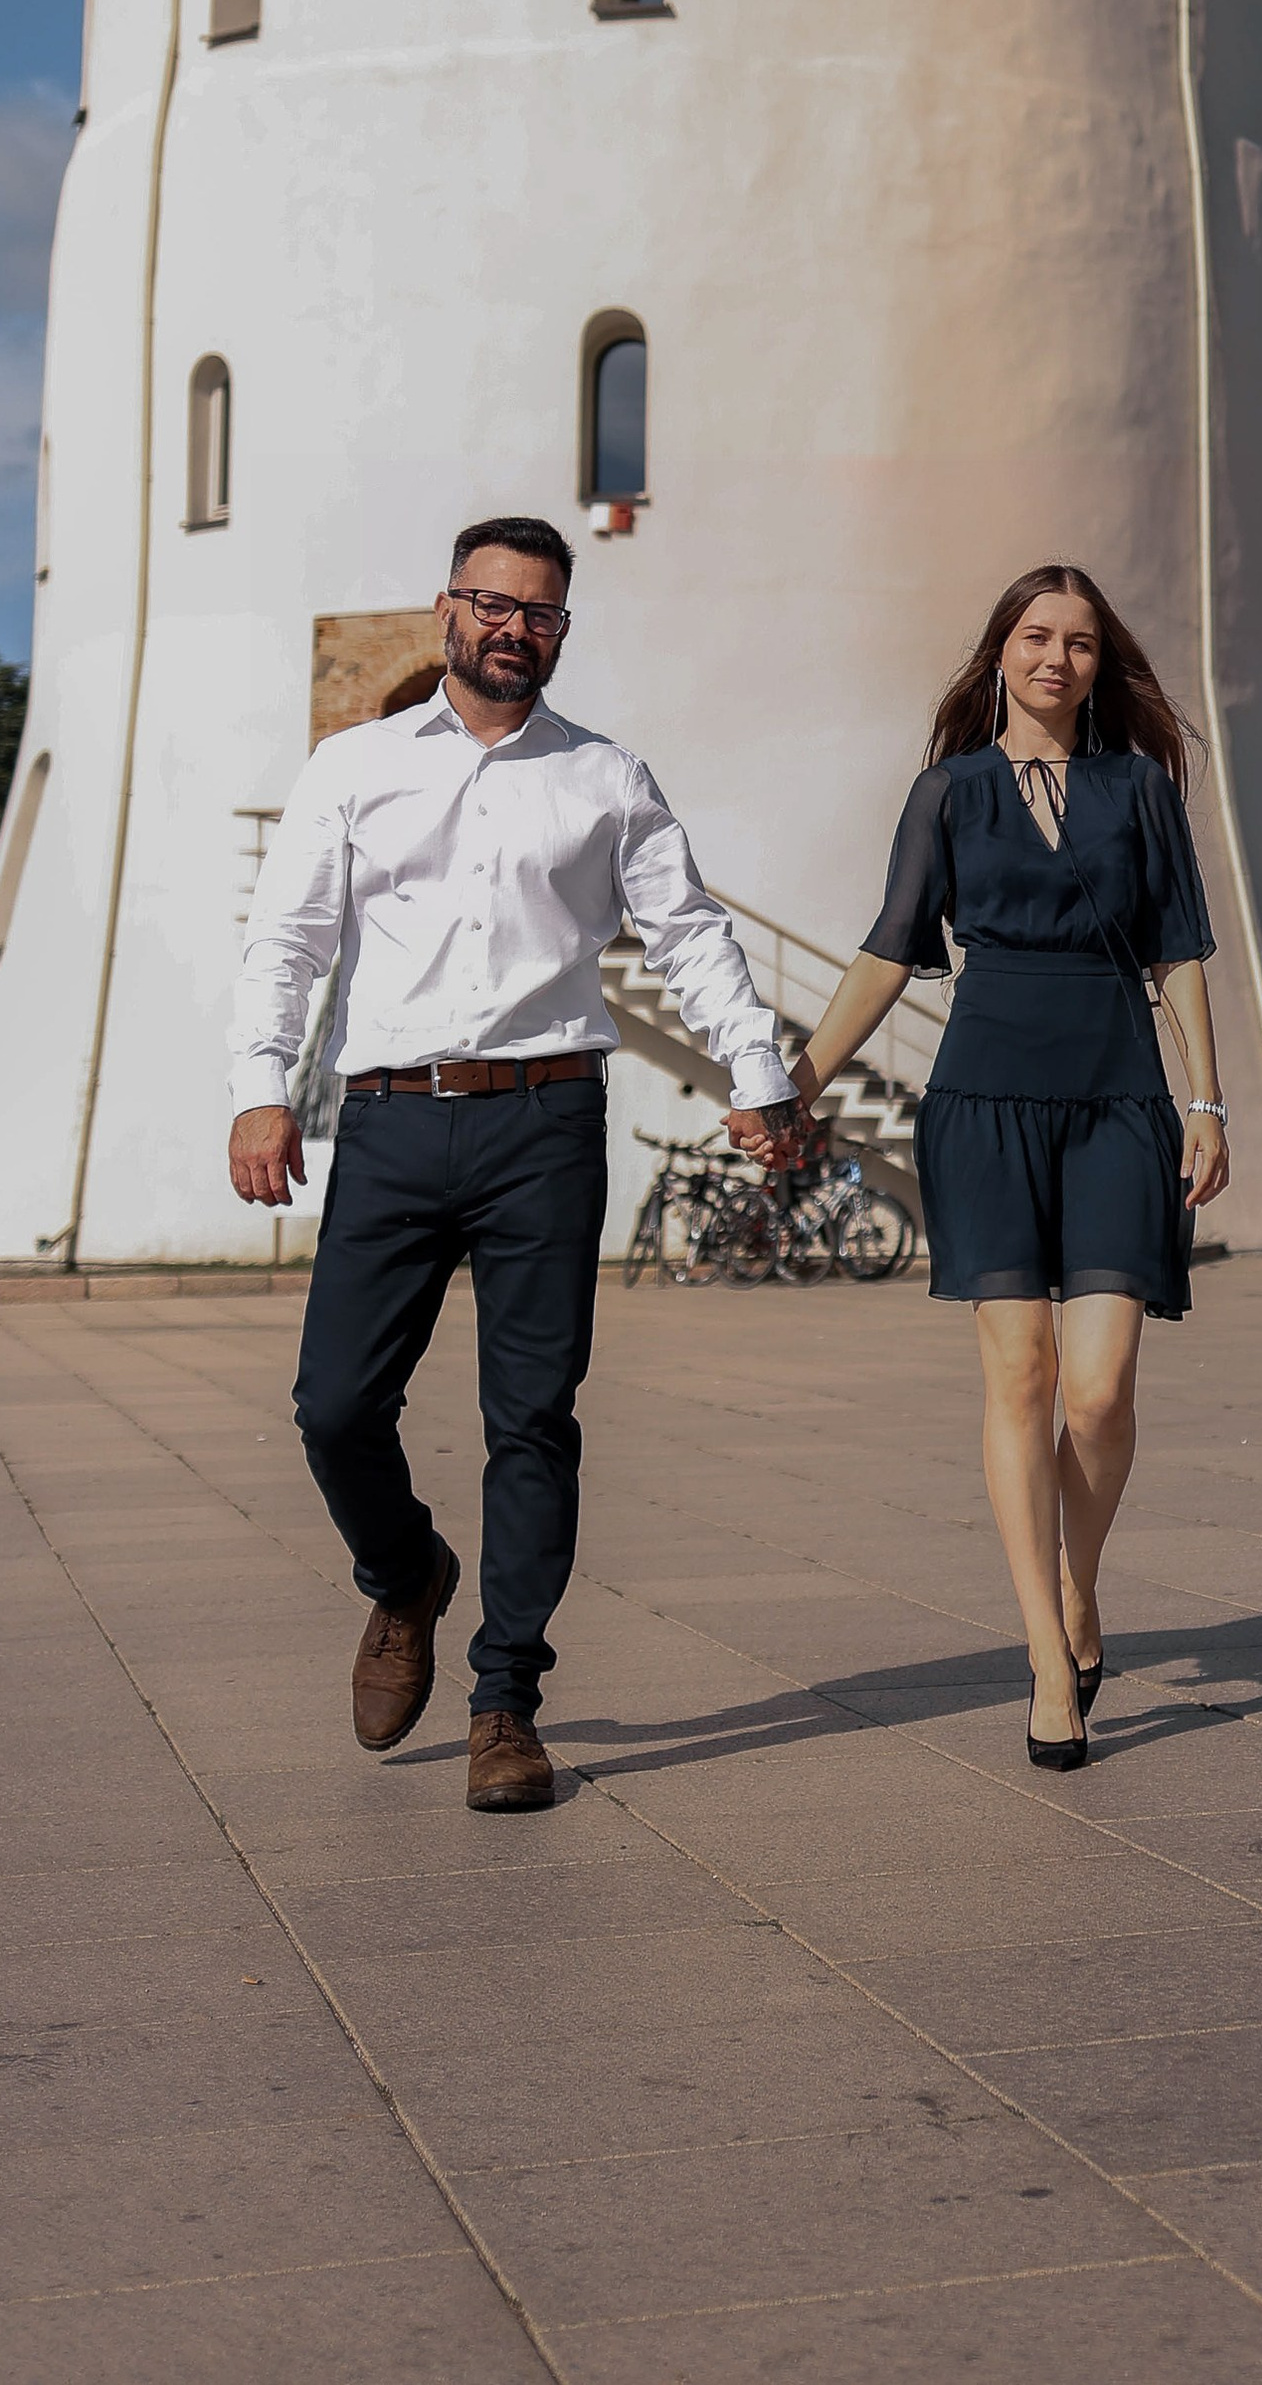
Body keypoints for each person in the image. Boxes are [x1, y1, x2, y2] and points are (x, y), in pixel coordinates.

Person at [230, 517, 807, 1812]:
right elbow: (287, 942)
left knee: (531, 1418)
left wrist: (757, 1071)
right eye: (492, 603)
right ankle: (404, 1576)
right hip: (388, 1118)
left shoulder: (604, 777)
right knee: (333, 1403)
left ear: (560, 628)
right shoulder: (354, 764)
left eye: (538, 612)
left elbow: (690, 933)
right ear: (448, 607)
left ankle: (505, 1702)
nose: (512, 627)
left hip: (544, 1122)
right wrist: (260, 1087)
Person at [761, 567, 1231, 1767]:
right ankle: (1042, 1652)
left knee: (1100, 1393)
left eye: (1079, 643)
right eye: (1035, 637)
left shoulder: (1140, 790)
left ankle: (1082, 1584)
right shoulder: (949, 792)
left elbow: (1179, 951)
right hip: (982, 1098)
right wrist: (802, 1075)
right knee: (1019, 1378)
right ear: (999, 654)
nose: (1056, 659)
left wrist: (1206, 1102)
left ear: (1097, 664)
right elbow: (887, 951)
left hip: (1119, 1095)